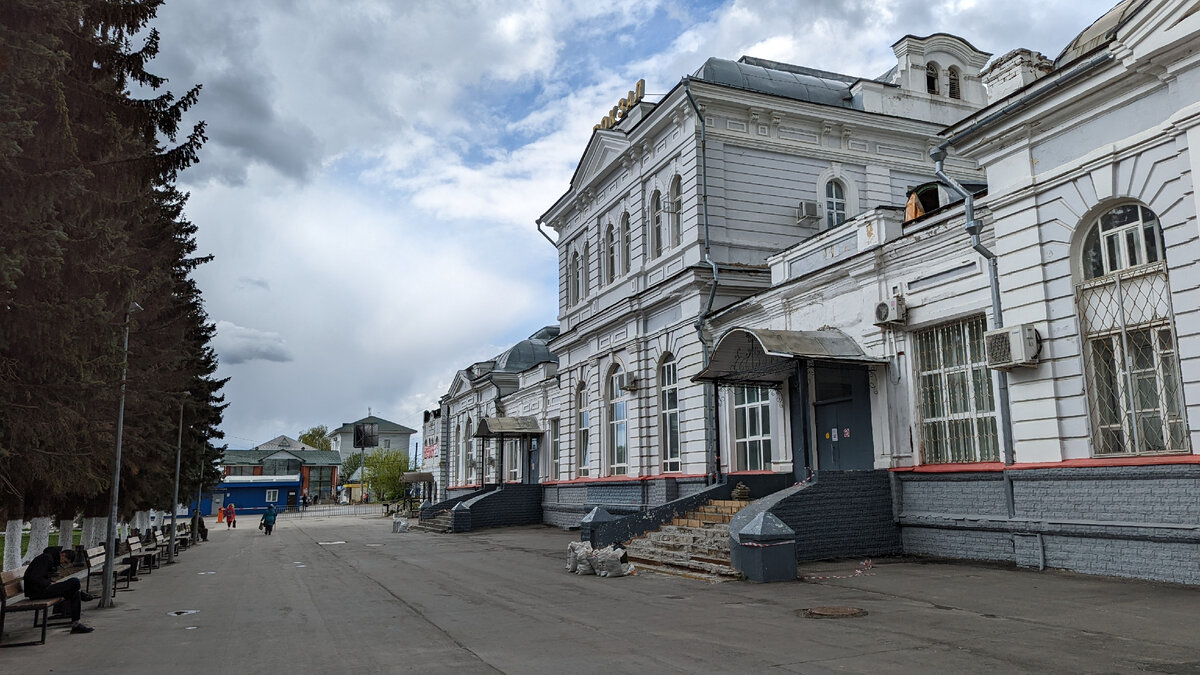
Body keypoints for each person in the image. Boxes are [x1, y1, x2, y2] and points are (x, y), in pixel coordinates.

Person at [24, 547, 94, 634]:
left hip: (41, 589)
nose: (63, 564)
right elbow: (34, 577)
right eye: (65, 562)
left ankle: (76, 625)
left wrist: (50, 582)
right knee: (75, 581)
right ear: (62, 555)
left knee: (75, 593)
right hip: (37, 592)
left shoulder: (50, 559)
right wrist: (49, 583)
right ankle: (82, 595)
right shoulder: (45, 558)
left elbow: (41, 577)